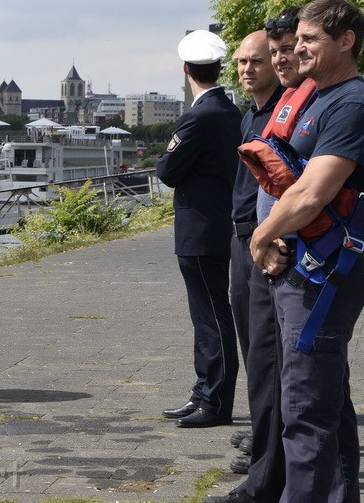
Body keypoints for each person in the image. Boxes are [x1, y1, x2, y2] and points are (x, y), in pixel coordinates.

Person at [249, 0, 364, 502]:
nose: (297, 47)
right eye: (295, 39)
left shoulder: (352, 104)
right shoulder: (313, 97)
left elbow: (312, 193)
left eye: (309, 39)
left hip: (321, 277)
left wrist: (260, 236)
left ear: (346, 41)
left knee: (305, 413)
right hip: (302, 273)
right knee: (326, 402)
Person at [216, 12, 303, 503]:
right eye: (244, 61)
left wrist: (268, 235)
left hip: (268, 242)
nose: (252, 67)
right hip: (244, 237)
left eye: (263, 58)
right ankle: (265, 441)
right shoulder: (249, 113)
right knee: (256, 347)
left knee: (274, 355)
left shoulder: (287, 109)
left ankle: (270, 463)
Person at [156, 30, 242, 428]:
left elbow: (167, 172)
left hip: (200, 230)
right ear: (220, 68)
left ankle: (215, 401)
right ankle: (204, 390)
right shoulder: (232, 113)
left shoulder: (198, 116)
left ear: (187, 69)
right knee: (208, 315)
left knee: (210, 316)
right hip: (219, 224)